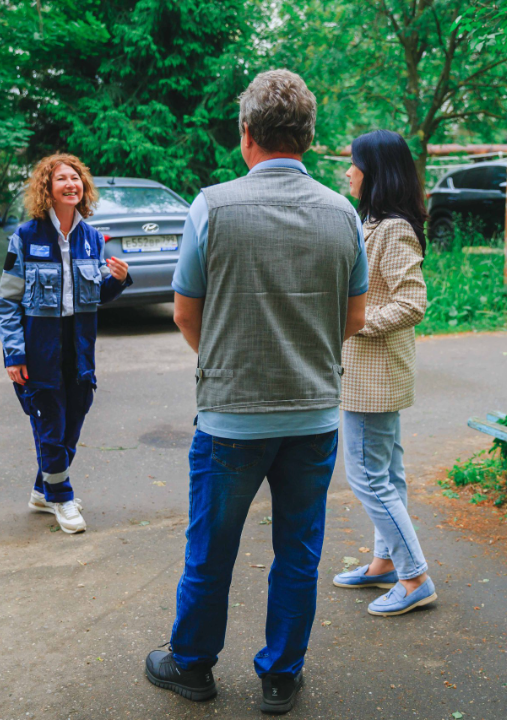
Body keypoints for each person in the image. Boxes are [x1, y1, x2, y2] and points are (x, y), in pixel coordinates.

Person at [144, 69, 368, 714]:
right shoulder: (341, 212)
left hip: (230, 419)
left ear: (247, 135)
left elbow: (186, 314)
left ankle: (191, 668)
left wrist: (227, 366)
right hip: (315, 416)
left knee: (210, 550)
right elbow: (353, 320)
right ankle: (279, 676)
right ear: (307, 136)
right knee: (297, 552)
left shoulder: (212, 206)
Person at [0, 153, 131, 534]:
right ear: (47, 189)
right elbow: (6, 303)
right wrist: (14, 353)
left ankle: (43, 490)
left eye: (76, 178)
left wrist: (118, 279)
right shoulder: (25, 237)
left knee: (74, 419)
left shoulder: (91, 237)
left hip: (79, 346)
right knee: (50, 424)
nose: (71, 184)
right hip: (40, 348)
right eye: (62, 179)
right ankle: (62, 497)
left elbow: (96, 293)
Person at [330, 129, 435, 616]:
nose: (348, 171)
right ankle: (385, 564)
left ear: (374, 171)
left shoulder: (393, 228)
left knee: (369, 478)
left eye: (354, 163)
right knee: (386, 474)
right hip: (372, 374)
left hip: (374, 377)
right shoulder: (374, 222)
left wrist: (356, 325)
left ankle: (414, 578)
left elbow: (412, 302)